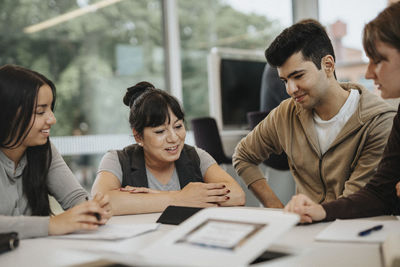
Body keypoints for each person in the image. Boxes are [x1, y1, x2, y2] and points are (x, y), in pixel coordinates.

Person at [233, 20, 396, 208]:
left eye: (298, 76)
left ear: (328, 65)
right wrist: (277, 209)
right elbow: (242, 155)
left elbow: (353, 203)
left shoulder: (379, 121)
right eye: (285, 80)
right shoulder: (286, 113)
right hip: (305, 226)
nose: (290, 89)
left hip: (353, 227)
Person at [285, 2, 400, 223]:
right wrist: (322, 211)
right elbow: (380, 193)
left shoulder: (379, 117)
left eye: (378, 60)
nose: (369, 72)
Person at [91, 82, 245, 215]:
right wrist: (179, 198)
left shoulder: (196, 156)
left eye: (178, 126)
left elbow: (237, 195)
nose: (174, 138)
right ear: (138, 136)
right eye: (160, 131)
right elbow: (101, 201)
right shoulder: (116, 159)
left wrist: (157, 197)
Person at [0, 64, 112, 239]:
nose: (52, 119)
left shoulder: (44, 149)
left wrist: (91, 209)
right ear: (8, 114)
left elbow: (75, 199)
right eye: (40, 111)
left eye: (51, 109)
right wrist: (53, 224)